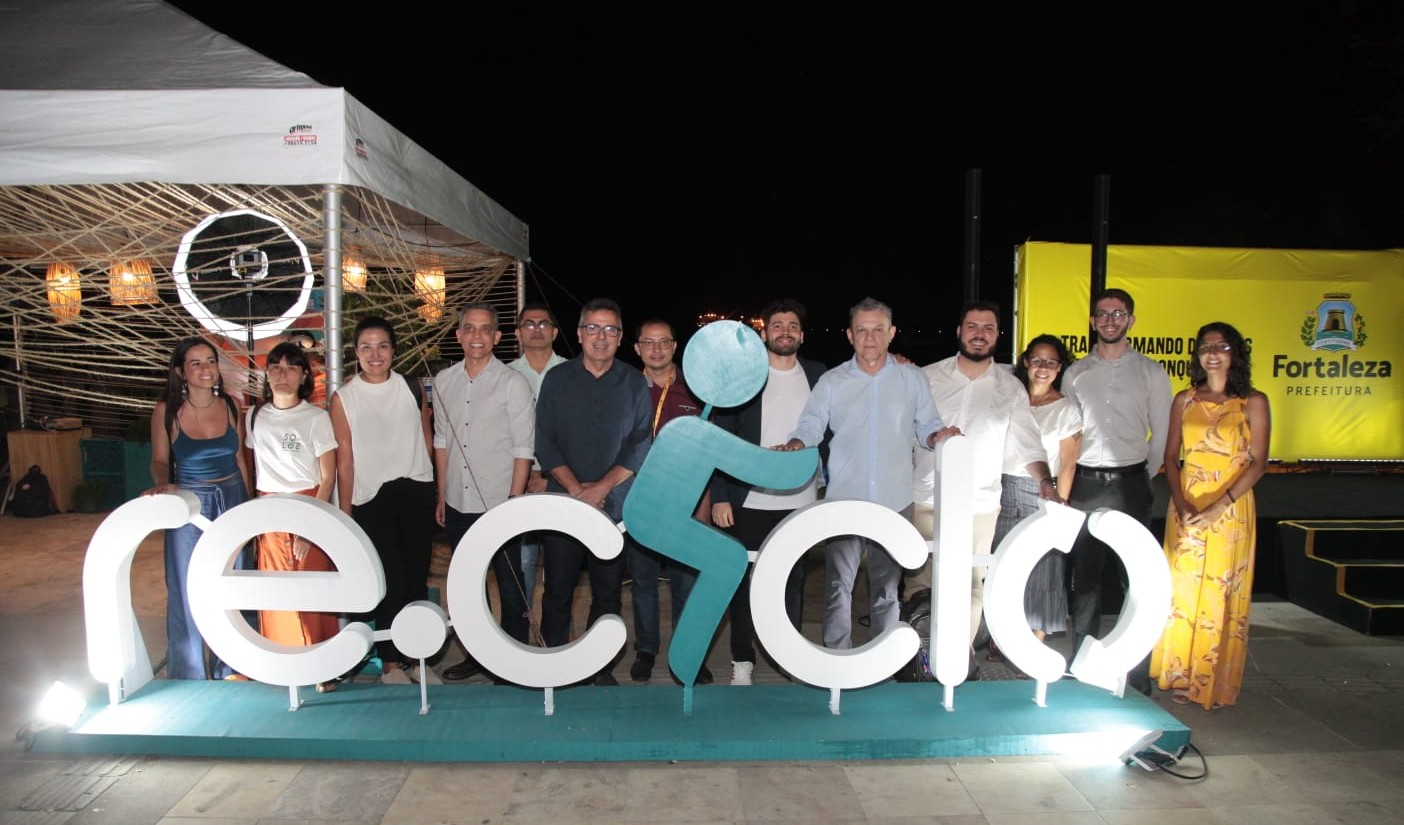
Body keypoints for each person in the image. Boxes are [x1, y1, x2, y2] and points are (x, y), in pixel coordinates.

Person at [781, 297, 958, 650]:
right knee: (837, 588)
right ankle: (837, 659)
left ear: (892, 333)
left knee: (887, 590)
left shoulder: (912, 378)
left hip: (895, 500)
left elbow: (928, 425)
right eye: (861, 330)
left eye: (878, 329)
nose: (870, 337)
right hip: (844, 499)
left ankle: (882, 660)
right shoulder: (832, 381)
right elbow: (811, 426)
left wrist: (938, 437)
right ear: (850, 335)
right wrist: (797, 443)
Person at [911, 300, 1061, 664]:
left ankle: (956, 663)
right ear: (959, 332)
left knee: (970, 584)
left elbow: (1028, 443)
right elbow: (905, 429)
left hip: (977, 505)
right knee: (919, 583)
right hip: (926, 498)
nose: (979, 334)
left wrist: (1046, 482)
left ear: (997, 336)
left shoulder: (1011, 388)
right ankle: (918, 661)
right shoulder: (926, 377)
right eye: (973, 327)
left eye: (988, 328)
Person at [1151, 322, 1270, 710]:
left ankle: (1211, 682)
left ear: (1236, 353)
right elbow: (1171, 457)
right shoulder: (1185, 399)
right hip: (1186, 503)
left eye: (1221, 347)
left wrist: (1220, 505)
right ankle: (1180, 674)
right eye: (1205, 347)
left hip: (1230, 508)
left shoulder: (1252, 401)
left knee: (1220, 591)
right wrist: (1181, 501)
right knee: (1182, 588)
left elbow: (1259, 462)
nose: (1212, 354)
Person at [1061, 287, 1173, 695]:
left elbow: (1162, 434)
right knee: (1086, 579)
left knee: (1134, 578)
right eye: (1103, 314)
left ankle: (1135, 670)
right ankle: (1081, 664)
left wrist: (1142, 475)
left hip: (1131, 484)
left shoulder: (1151, 373)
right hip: (1086, 485)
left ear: (1131, 320)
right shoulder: (1075, 374)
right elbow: (1068, 434)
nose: (1110, 320)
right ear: (1093, 321)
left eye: (1118, 313)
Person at [534, 297, 652, 685]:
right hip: (564, 503)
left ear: (620, 337)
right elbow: (545, 440)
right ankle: (553, 667)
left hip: (613, 505)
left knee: (607, 592)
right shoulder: (557, 379)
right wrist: (576, 489)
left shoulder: (633, 382)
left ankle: (599, 667)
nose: (601, 337)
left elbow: (639, 444)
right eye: (594, 328)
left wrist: (601, 488)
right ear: (580, 333)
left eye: (610, 330)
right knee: (557, 590)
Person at [710, 298, 827, 685]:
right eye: (777, 325)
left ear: (802, 335)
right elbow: (722, 438)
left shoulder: (819, 375)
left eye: (792, 326)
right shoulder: (746, 378)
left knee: (792, 581)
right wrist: (720, 495)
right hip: (749, 499)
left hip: (801, 498)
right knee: (745, 581)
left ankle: (788, 657)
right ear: (764, 333)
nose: (785, 332)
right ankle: (742, 660)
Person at [329, 316, 440, 686]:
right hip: (371, 500)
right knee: (391, 581)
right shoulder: (343, 398)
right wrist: (346, 512)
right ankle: (391, 663)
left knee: (416, 581)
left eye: (382, 346)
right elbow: (344, 459)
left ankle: (418, 658)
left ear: (393, 350)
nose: (374, 354)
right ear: (355, 352)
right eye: (366, 347)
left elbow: (426, 437)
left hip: (416, 490)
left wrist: (432, 487)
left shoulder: (411, 386)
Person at [433, 303, 535, 682]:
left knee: (510, 586)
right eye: (470, 329)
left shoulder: (513, 383)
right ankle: (476, 655)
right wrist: (441, 495)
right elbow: (441, 441)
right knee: (467, 586)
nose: (477, 336)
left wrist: (514, 501)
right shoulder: (443, 381)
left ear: (497, 337)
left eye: (485, 329)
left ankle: (513, 659)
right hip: (457, 501)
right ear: (459, 335)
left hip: (499, 501)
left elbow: (523, 448)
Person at [146, 336, 253, 680]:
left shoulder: (232, 405)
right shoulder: (166, 411)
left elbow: (240, 460)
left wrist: (249, 509)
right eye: (196, 363)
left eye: (210, 361)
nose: (206, 369)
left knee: (235, 582)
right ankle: (189, 671)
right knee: (187, 586)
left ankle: (234, 666)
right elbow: (160, 461)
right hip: (190, 506)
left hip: (232, 499)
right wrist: (164, 483)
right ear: (181, 371)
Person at [244, 341, 340, 692]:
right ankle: (282, 665)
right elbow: (253, 468)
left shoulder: (316, 418)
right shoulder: (254, 417)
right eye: (275, 368)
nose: (282, 375)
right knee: (276, 593)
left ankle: (322, 667)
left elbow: (327, 477)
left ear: (303, 376)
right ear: (267, 375)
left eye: (291, 368)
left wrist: (310, 528)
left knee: (312, 592)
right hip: (269, 514)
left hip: (308, 507)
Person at [625, 318, 712, 684]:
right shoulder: (627, 388)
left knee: (686, 585)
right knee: (643, 581)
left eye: (664, 342)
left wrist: (705, 506)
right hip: (640, 501)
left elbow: (709, 452)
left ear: (675, 346)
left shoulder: (697, 390)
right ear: (637, 348)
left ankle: (686, 654)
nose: (656, 349)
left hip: (686, 503)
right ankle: (646, 649)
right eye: (648, 342)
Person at [988, 334, 1081, 655]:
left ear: (1059, 368)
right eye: (1037, 360)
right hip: (1000, 491)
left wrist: (1059, 508)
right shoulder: (1010, 397)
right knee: (1002, 565)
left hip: (1042, 492)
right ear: (1026, 362)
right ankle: (1000, 635)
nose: (1043, 367)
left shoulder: (1066, 408)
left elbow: (1068, 463)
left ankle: (1034, 641)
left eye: (1050, 362)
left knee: (1041, 567)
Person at [506, 301, 569, 619]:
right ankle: (523, 629)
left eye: (543, 323)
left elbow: (576, 434)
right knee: (524, 561)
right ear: (518, 333)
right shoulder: (506, 375)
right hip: (520, 481)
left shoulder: (572, 373)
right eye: (528, 324)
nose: (536, 329)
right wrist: (525, 475)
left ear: (555, 332)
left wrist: (550, 476)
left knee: (562, 564)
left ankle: (558, 632)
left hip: (563, 481)